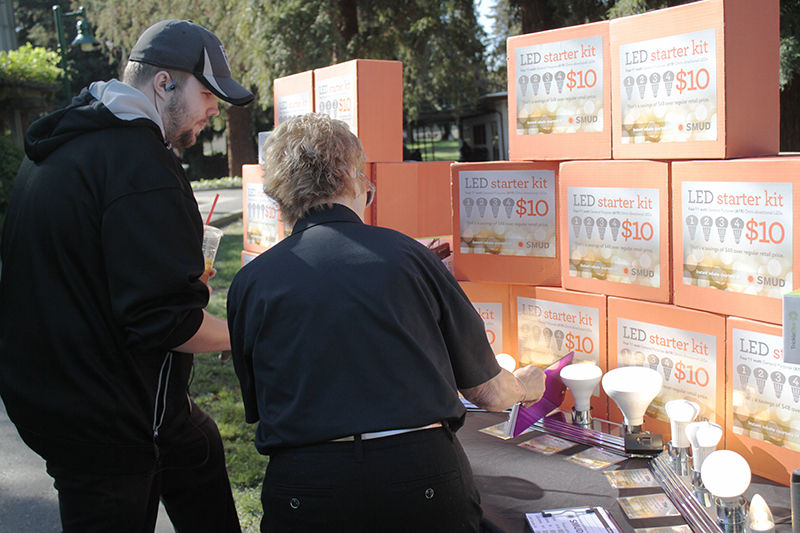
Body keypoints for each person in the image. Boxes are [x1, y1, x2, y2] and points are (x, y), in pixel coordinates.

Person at [226, 113, 546, 533]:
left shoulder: (251, 282)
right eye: (366, 184)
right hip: (419, 479)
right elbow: (487, 390)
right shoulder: (410, 257)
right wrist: (526, 386)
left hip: (306, 485)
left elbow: (261, 403)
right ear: (349, 178)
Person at [0, 20, 253, 533]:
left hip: (57, 397)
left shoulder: (68, 142)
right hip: (110, 423)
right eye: (207, 93)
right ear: (164, 84)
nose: (213, 110)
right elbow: (167, 322)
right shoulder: (138, 165)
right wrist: (243, 335)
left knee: (198, 451)